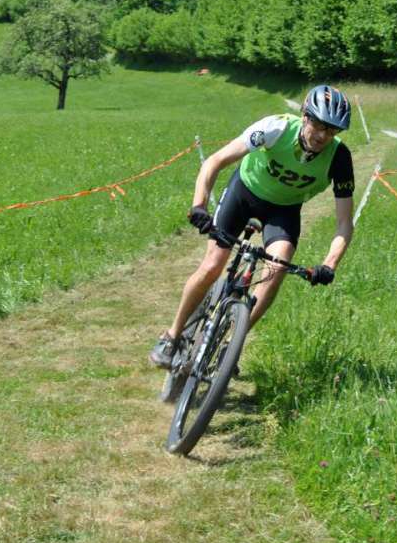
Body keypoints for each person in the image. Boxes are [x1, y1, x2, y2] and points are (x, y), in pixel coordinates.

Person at [149, 84, 356, 368]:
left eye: (331, 131)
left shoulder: (339, 158)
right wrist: (199, 206)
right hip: (244, 194)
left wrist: (329, 264)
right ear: (305, 116)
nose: (323, 136)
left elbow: (344, 222)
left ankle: (232, 343)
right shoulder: (275, 129)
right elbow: (215, 161)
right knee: (212, 265)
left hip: (283, 210)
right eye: (319, 125)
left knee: (277, 268)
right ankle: (172, 336)